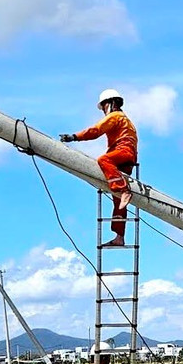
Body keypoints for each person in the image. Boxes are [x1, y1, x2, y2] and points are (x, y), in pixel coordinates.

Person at [59, 89, 137, 248]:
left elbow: (96, 130)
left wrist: (75, 137)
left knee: (104, 159)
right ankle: (119, 237)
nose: (103, 111)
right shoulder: (127, 121)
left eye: (103, 107)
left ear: (109, 103)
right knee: (118, 203)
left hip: (123, 152)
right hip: (126, 157)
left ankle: (123, 190)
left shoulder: (116, 117)